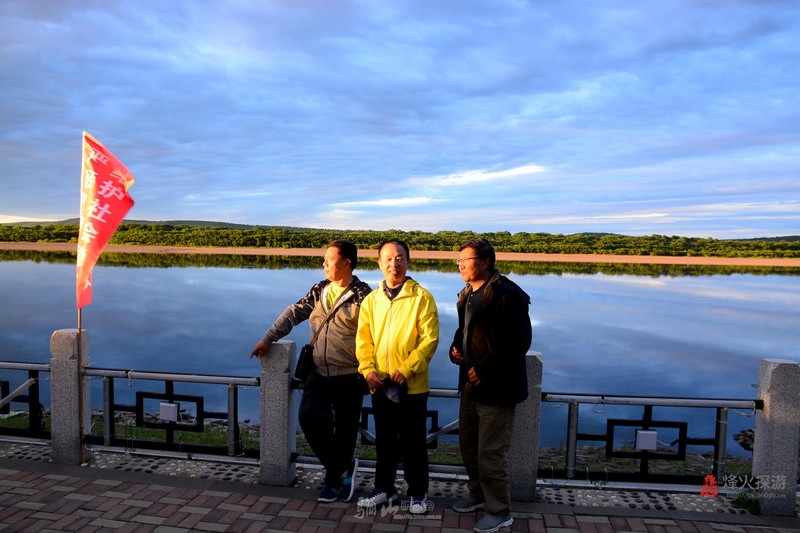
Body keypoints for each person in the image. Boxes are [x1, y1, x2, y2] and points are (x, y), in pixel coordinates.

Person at [250, 240, 372, 503]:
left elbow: (377, 334)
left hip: (350, 374)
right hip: (318, 371)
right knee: (308, 417)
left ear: (347, 263)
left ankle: (333, 480)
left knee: (346, 430)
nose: (324, 263)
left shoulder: (364, 296)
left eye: (329, 258)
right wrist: (268, 338)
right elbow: (295, 312)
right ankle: (342, 467)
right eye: (324, 258)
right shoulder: (320, 289)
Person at [449, 238, 532, 533]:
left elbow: (518, 342)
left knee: (491, 452)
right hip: (471, 384)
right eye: (459, 260)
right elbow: (466, 330)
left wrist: (483, 369)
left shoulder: (506, 294)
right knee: (469, 445)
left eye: (466, 259)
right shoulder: (469, 293)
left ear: (485, 261)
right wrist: (455, 350)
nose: (460, 265)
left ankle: (499, 510)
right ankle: (477, 494)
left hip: (497, 387)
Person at [355, 239, 439, 515]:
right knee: (385, 440)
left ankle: (417, 493)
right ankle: (384, 488)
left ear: (408, 261)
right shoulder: (371, 300)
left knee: (414, 441)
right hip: (381, 384)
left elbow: (429, 340)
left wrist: (407, 368)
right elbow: (363, 341)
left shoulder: (421, 297)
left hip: (411, 385)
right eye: (388, 259)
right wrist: (367, 370)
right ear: (379, 263)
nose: (394, 264)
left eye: (400, 258)